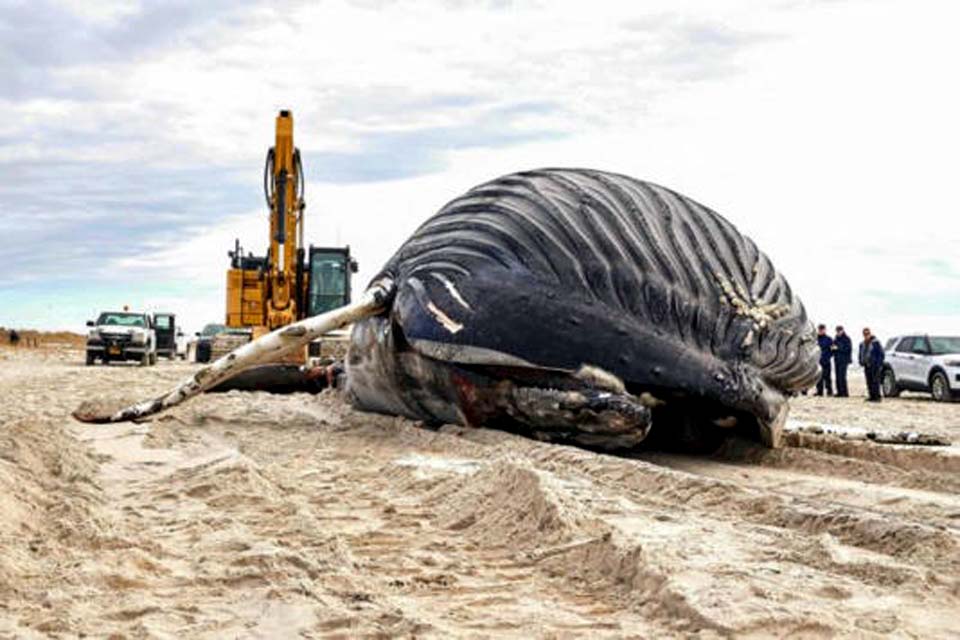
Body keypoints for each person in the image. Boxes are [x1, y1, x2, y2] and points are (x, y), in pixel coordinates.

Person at [858, 327, 885, 402]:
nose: (866, 335)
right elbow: (860, 353)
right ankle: (872, 396)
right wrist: (860, 361)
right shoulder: (862, 344)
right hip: (866, 364)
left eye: (867, 334)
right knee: (869, 381)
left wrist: (879, 364)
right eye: (865, 334)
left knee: (875, 381)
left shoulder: (876, 343)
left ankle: (877, 397)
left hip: (875, 365)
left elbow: (881, 354)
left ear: (870, 333)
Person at [833, 325, 852, 397]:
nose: (838, 332)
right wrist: (833, 348)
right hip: (837, 359)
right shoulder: (836, 338)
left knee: (842, 376)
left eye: (839, 331)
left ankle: (845, 393)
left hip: (844, 360)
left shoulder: (847, 339)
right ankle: (839, 392)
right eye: (837, 331)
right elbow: (833, 348)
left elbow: (848, 349)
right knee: (837, 376)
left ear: (842, 330)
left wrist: (838, 348)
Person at [815, 324, 833, 396]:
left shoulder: (829, 339)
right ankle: (819, 392)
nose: (821, 330)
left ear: (825, 330)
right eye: (820, 329)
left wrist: (828, 357)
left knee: (827, 377)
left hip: (826, 361)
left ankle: (829, 391)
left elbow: (832, 350)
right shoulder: (815, 339)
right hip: (817, 361)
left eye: (822, 329)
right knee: (819, 378)